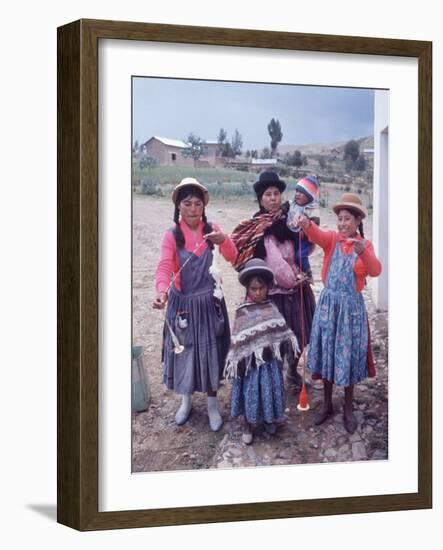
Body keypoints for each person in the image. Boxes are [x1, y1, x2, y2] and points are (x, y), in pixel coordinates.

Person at [152, 177, 237, 431]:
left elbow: (233, 256)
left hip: (209, 303)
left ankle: (212, 405)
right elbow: (165, 266)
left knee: (210, 353)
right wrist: (161, 291)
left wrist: (224, 240)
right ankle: (186, 402)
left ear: (204, 206)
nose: (192, 209)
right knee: (186, 353)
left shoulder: (212, 230)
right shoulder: (171, 236)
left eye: (197, 203)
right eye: (187, 203)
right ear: (178, 206)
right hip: (183, 305)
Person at [298, 192, 382, 434]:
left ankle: (347, 407)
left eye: (347, 219)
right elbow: (317, 235)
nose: (342, 223)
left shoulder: (364, 246)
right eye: (340, 219)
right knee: (327, 354)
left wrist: (363, 251)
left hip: (350, 311)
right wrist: (306, 224)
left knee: (348, 358)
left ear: (358, 222)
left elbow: (375, 270)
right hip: (328, 307)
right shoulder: (332, 240)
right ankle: (326, 404)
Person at [231, 170, 316, 387]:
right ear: (260, 198)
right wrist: (291, 279)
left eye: (276, 193)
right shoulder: (258, 226)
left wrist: (302, 272)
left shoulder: (290, 218)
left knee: (300, 333)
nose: (273, 198)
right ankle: (274, 378)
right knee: (276, 338)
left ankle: (292, 370)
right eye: (268, 194)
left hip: (298, 286)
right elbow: (274, 259)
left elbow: (303, 246)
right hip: (276, 290)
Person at [224, 259, 298, 444]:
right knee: (251, 392)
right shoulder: (242, 312)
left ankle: (268, 419)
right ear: (247, 290)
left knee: (269, 390)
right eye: (253, 289)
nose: (257, 292)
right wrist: (240, 359)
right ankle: (248, 424)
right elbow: (238, 341)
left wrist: (285, 343)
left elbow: (280, 333)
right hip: (251, 369)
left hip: (270, 365)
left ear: (267, 288)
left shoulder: (271, 308)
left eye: (261, 288)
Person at [286, 175, 321, 279]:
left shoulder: (311, 208)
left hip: (304, 239)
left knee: (300, 256)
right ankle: (297, 272)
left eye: (301, 192)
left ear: (309, 196)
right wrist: (281, 210)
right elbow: (284, 207)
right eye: (297, 191)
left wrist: (305, 229)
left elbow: (315, 222)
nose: (297, 194)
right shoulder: (292, 204)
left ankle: (307, 272)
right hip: (292, 234)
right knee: (290, 255)